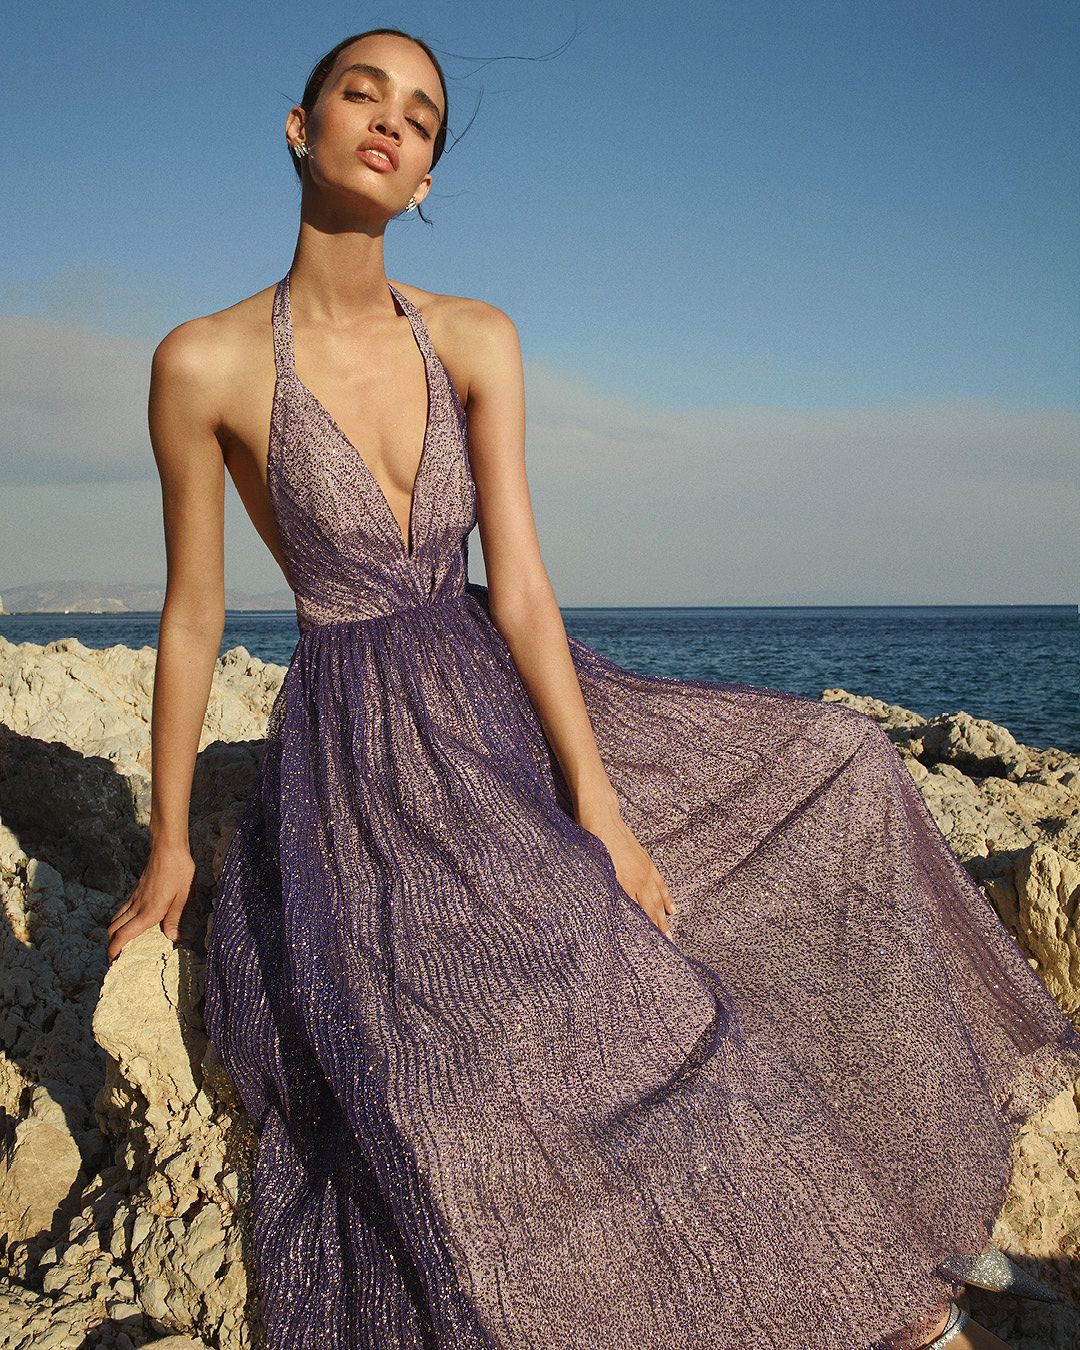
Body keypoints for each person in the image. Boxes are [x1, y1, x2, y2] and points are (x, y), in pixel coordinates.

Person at [106, 26, 1080, 1350]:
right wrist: (169, 845)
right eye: (361, 94)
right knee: (516, 1028)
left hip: (496, 686)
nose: (391, 125)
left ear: (427, 183)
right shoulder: (203, 363)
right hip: (359, 750)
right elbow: (193, 613)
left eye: (423, 119)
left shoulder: (477, 338)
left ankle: (889, 1226)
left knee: (840, 764)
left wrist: (605, 807)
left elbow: (520, 587)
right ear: (300, 127)